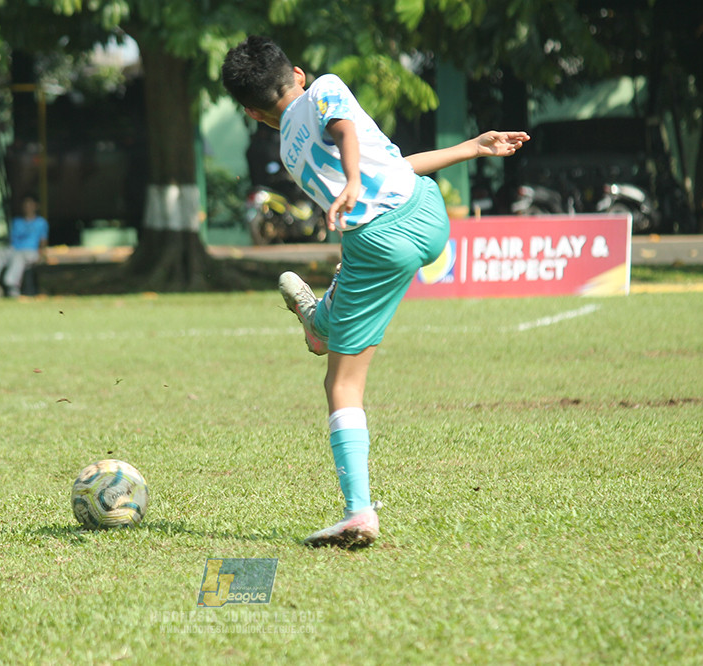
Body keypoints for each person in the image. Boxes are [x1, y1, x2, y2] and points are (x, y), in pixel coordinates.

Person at [222, 36, 529, 548]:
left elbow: (344, 135)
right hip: (428, 217)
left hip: (378, 243)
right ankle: (319, 322)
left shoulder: (288, 150)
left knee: (340, 386)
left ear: (253, 113)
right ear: (296, 73)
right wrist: (473, 148)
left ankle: (358, 513)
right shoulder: (325, 86)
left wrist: (350, 183)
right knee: (339, 317)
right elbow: (383, 157)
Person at [0, 194, 49, 298]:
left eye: (30, 204)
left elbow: (43, 241)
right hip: (15, 249)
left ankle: (12, 287)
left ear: (36, 206)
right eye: (25, 204)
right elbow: (11, 240)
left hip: (30, 251)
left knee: (18, 257)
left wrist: (42, 254)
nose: (27, 207)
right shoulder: (17, 222)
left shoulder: (41, 222)